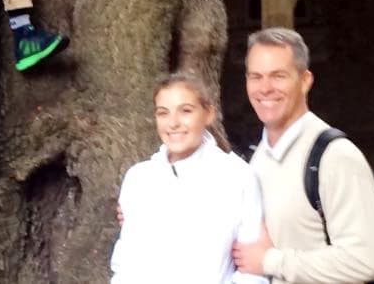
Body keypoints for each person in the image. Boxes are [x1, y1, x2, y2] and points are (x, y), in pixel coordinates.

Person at [232, 28, 374, 283]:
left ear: (305, 81)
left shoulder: (335, 157)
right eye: (255, 77)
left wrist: (271, 261)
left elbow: (365, 260)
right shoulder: (258, 157)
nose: (265, 88)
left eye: (278, 76)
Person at [110, 72, 267, 283]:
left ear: (208, 113)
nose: (173, 123)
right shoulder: (139, 178)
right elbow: (126, 262)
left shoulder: (237, 177)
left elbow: (253, 271)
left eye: (185, 111)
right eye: (163, 113)